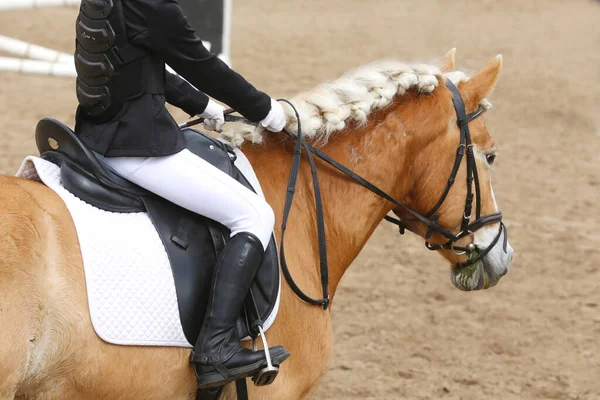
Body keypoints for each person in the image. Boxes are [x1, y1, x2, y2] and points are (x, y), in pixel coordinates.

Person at [73, 0, 289, 388]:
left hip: (92, 138)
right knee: (254, 217)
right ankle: (217, 348)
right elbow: (203, 66)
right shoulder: (156, 8)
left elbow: (138, 67)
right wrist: (266, 110)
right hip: (136, 147)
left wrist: (202, 105)